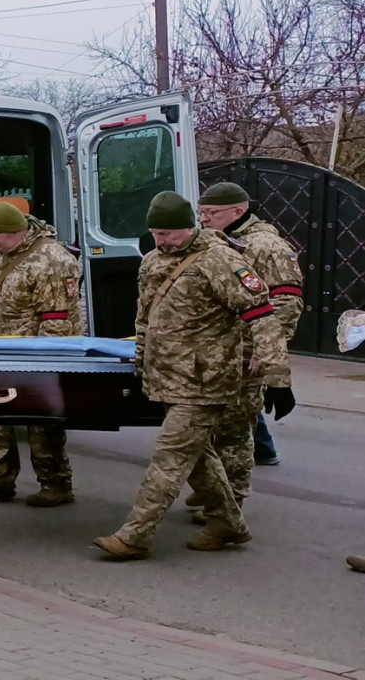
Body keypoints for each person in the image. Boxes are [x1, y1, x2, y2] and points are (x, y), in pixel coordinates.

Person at [93, 191, 286, 560]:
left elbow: (260, 314)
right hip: (165, 377)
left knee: (169, 456)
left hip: (205, 381)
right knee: (198, 458)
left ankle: (134, 536)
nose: (162, 242)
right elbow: (144, 319)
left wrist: (276, 373)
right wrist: (140, 363)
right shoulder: (151, 261)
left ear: (189, 227)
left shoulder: (221, 260)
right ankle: (228, 523)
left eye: (169, 234)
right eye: (156, 234)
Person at [0, 202, 81, 508]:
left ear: (16, 233)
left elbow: (57, 320)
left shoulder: (53, 260)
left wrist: (46, 366)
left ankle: (55, 482)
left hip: (36, 351)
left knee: (41, 418)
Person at [196, 182, 301, 475]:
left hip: (246, 349)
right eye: (200, 213)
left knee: (234, 428)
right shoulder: (216, 240)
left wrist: (266, 353)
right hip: (221, 348)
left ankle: (228, 500)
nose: (203, 219)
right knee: (227, 418)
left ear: (237, 211)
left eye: (210, 213)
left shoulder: (268, 246)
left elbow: (286, 302)